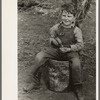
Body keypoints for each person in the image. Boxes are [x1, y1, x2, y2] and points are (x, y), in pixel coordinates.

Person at [23, 3, 84, 100]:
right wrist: (53, 40)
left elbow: (80, 45)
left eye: (69, 16)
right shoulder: (56, 27)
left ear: (74, 17)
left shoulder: (76, 30)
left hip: (70, 52)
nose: (66, 18)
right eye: (64, 15)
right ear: (61, 16)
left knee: (76, 64)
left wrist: (70, 48)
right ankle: (35, 82)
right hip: (57, 51)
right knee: (40, 56)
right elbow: (51, 34)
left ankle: (78, 88)